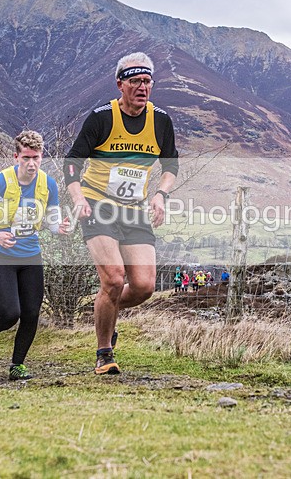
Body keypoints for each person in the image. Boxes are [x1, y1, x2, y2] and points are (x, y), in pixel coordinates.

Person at [64, 52, 179, 374]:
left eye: (147, 81)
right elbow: (72, 163)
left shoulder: (160, 121)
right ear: (120, 85)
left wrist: (160, 195)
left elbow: (171, 166)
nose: (142, 87)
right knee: (114, 279)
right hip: (97, 204)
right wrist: (77, 198)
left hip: (134, 211)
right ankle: (104, 352)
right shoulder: (101, 117)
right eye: (135, 82)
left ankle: (103, 308)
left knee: (143, 287)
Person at [0, 130, 71, 379]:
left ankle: (17, 365)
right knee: (10, 313)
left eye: (36, 158)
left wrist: (59, 227)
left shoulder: (48, 184)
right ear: (16, 157)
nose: (31, 163)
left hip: (30, 256)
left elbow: (51, 219)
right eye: (26, 157)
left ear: (41, 158)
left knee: (31, 312)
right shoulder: (0, 181)